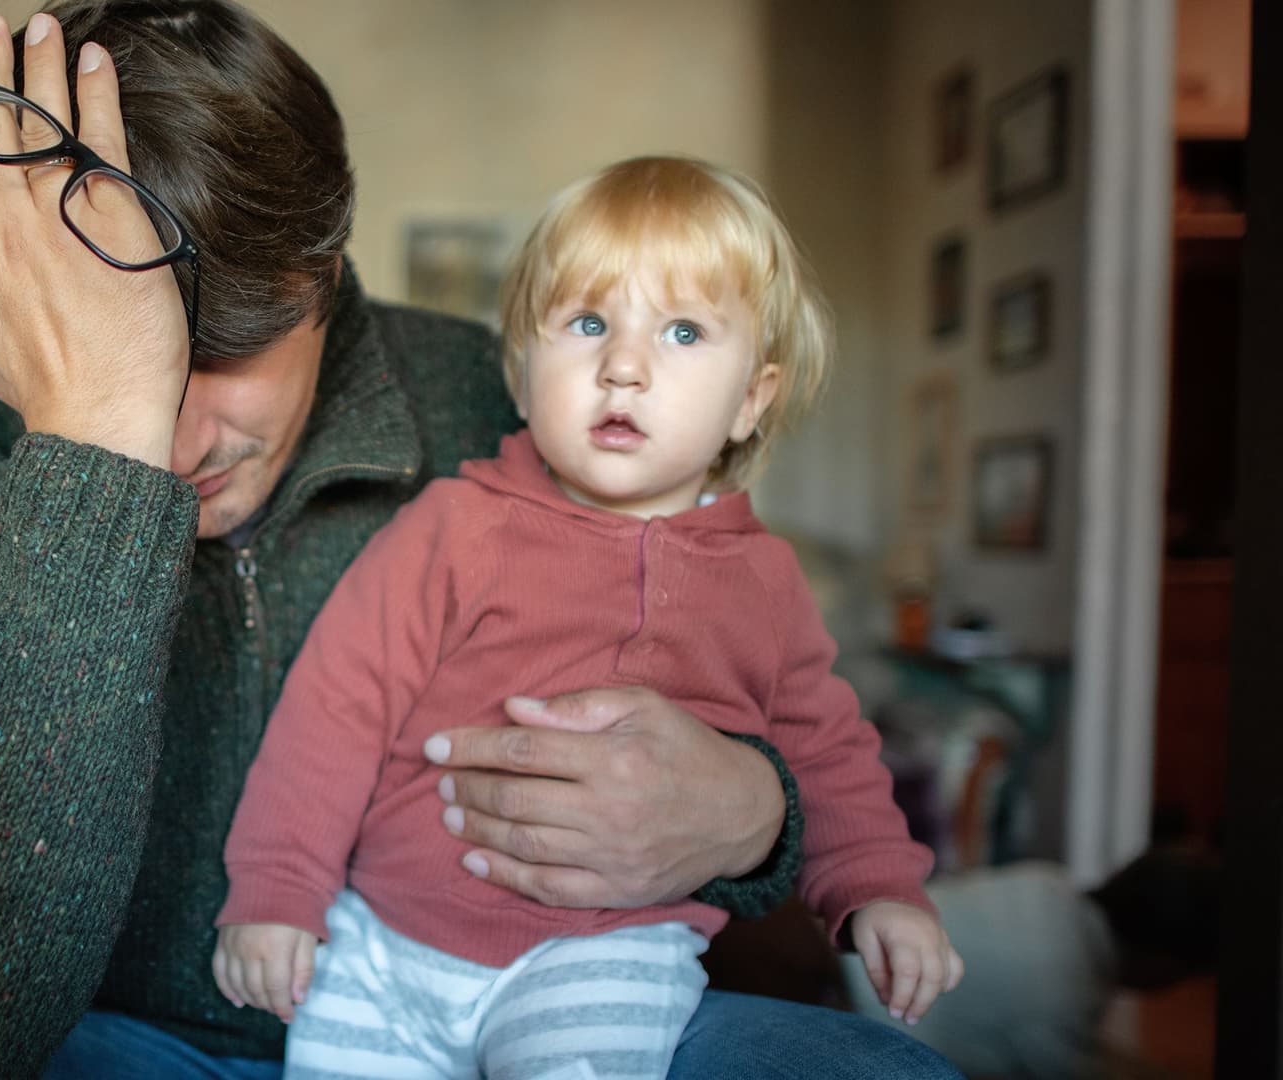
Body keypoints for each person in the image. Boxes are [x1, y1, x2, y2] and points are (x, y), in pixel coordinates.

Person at [0, 2, 964, 1077]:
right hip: (124, 1045)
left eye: (219, 354)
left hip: (522, 1004)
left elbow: (769, 693)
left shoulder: (525, 413)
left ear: (324, 275)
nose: (173, 440)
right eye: (125, 368)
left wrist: (758, 816)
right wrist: (90, 458)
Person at [211, 157, 963, 1078]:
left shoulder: (763, 583)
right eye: (589, 323)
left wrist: (879, 889)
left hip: (600, 956)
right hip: (380, 947)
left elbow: (827, 753)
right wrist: (280, 890)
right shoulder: (457, 525)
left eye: (684, 331)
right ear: (525, 378)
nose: (625, 366)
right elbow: (336, 704)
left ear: (751, 401)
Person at [836, 851, 1220, 1078]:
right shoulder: (1071, 997)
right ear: (1163, 966)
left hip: (840, 947)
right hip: (852, 1024)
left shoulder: (1048, 880)